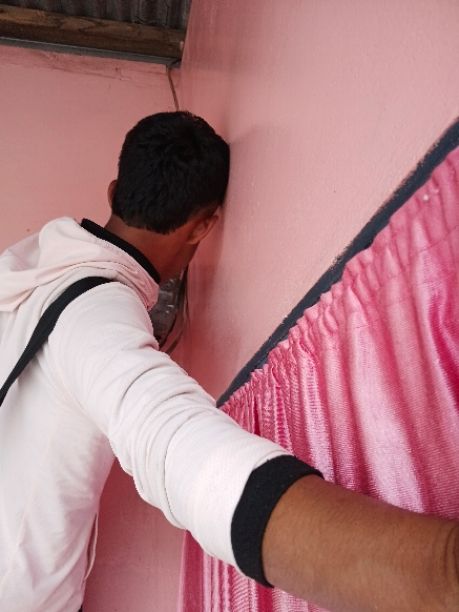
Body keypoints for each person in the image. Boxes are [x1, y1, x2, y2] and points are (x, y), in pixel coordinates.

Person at [0, 112, 457, 612]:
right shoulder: (96, 312)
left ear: (113, 193)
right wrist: (437, 570)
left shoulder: (26, 276)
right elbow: (173, 443)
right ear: (204, 225)